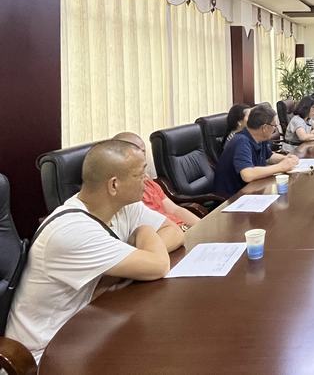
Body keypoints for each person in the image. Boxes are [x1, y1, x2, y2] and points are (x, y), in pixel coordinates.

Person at [6, 140, 185, 362]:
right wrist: (144, 232)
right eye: (140, 174)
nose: (147, 179)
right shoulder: (72, 230)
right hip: (46, 352)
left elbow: (174, 232)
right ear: (114, 185)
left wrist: (138, 255)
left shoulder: (124, 206)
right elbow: (159, 265)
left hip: (90, 326)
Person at [112, 132, 201, 229]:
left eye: (143, 152)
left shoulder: (148, 181)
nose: (141, 157)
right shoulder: (122, 196)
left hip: (181, 229)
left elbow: (175, 209)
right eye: (134, 153)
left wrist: (201, 226)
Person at [214, 105, 299, 197]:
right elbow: (247, 175)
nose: (275, 129)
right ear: (264, 128)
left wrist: (286, 159)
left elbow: (269, 156)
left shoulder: (259, 137)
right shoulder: (241, 141)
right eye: (274, 125)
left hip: (252, 189)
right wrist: (281, 167)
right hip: (232, 197)